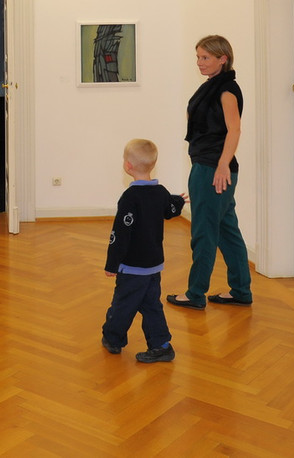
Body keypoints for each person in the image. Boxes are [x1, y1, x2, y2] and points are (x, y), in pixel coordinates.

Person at [168, 35, 253, 310]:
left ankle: (195, 294)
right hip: (210, 166)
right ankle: (241, 290)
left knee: (204, 232)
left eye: (205, 57)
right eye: (198, 57)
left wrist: (222, 165)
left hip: (213, 170)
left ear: (222, 59)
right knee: (227, 231)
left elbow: (234, 129)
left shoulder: (226, 90)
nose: (200, 62)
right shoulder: (212, 86)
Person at [102, 138, 188, 363]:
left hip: (133, 266)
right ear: (153, 164)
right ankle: (161, 345)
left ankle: (112, 338)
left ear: (128, 166)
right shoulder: (160, 192)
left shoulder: (130, 198)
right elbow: (170, 208)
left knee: (123, 304)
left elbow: (120, 234)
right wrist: (179, 201)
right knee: (151, 305)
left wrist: (112, 264)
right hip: (153, 265)